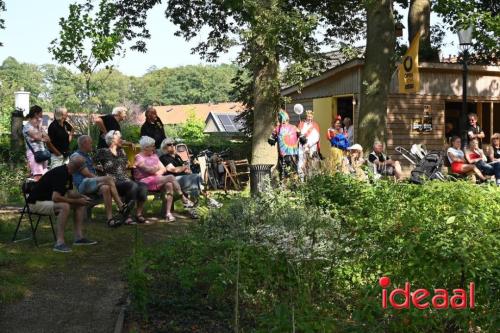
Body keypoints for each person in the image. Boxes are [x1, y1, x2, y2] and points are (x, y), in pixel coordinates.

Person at [27, 155, 97, 253]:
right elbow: (55, 198)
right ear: (79, 169)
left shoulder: (68, 172)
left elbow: (69, 192)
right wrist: (77, 201)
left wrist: (82, 197)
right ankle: (59, 243)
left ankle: (79, 238)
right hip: (35, 203)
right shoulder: (61, 173)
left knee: (81, 204)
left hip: (47, 201)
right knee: (64, 206)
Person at [71, 135, 133, 226]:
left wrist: (97, 168)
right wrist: (100, 178)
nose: (92, 145)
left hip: (90, 183)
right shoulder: (76, 156)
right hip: (83, 184)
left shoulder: (87, 156)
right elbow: (87, 174)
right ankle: (120, 205)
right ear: (84, 144)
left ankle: (110, 219)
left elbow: (90, 169)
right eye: (91, 143)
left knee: (106, 187)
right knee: (108, 178)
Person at [134, 136, 194, 222]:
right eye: (152, 146)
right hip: (144, 181)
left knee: (169, 184)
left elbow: (163, 169)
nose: (154, 148)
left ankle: (168, 213)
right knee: (170, 177)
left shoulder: (154, 155)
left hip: (156, 179)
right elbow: (147, 170)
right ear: (146, 147)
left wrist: (155, 171)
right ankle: (183, 198)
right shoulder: (139, 157)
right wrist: (155, 169)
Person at [94, 130, 148, 224]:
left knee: (143, 186)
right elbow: (91, 163)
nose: (122, 140)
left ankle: (138, 214)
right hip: (113, 181)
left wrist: (129, 165)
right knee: (132, 186)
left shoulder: (121, 151)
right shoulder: (103, 151)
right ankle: (126, 215)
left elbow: (126, 164)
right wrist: (98, 168)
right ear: (112, 139)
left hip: (125, 179)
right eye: (120, 138)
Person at [268, 110, 299, 179]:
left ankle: (284, 187)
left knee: (283, 173)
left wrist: (276, 139)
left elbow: (270, 140)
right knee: (294, 171)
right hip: (293, 154)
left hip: (283, 155)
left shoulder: (277, 128)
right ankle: (294, 186)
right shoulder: (294, 127)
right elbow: (303, 138)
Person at [23, 105, 50, 180]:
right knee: (38, 176)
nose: (42, 115)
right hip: (34, 154)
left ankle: (42, 191)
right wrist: (40, 132)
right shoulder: (27, 127)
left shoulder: (39, 126)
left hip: (42, 153)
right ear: (36, 114)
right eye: (41, 113)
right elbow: (38, 137)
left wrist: (40, 136)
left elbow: (48, 139)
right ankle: (36, 191)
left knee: (45, 175)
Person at [297, 110, 321, 180]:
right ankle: (301, 179)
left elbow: (317, 137)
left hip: (311, 147)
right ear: (306, 117)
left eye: (311, 117)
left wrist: (309, 144)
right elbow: (298, 135)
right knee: (301, 162)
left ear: (312, 117)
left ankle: (311, 180)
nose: (309, 118)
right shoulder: (301, 124)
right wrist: (300, 136)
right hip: (302, 147)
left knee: (311, 163)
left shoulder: (315, 125)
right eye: (308, 116)